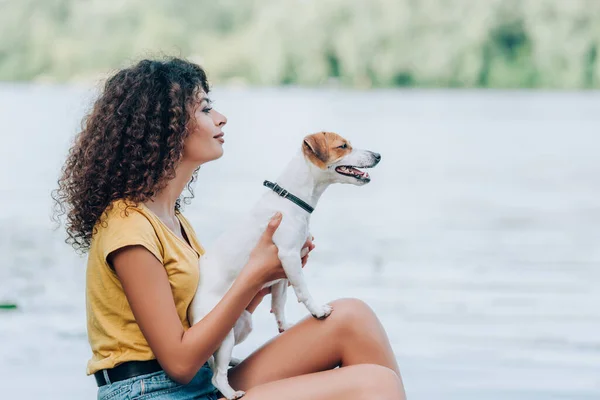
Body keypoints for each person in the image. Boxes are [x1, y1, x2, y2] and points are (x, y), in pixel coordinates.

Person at [52, 57, 407, 400]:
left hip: (199, 382)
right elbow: (178, 363)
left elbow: (211, 331)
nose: (221, 118)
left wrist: (266, 277)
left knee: (351, 317)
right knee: (372, 385)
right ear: (165, 126)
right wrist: (253, 274)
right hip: (151, 393)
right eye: (206, 109)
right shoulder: (127, 228)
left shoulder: (174, 221)